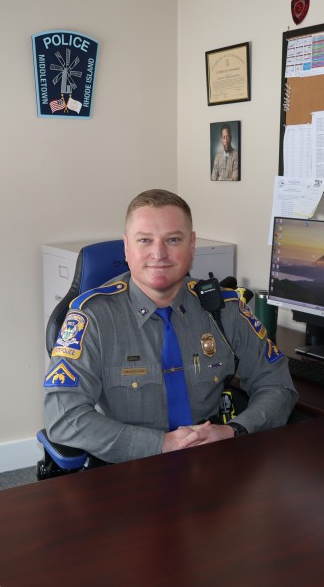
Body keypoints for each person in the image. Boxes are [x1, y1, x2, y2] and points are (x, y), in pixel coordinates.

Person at [43, 189, 297, 464]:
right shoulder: (93, 318)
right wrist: (161, 444)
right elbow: (64, 417)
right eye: (145, 240)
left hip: (213, 456)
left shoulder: (225, 309)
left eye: (173, 239)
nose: (159, 253)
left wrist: (234, 430)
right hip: (129, 464)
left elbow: (277, 384)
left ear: (191, 245)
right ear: (127, 248)